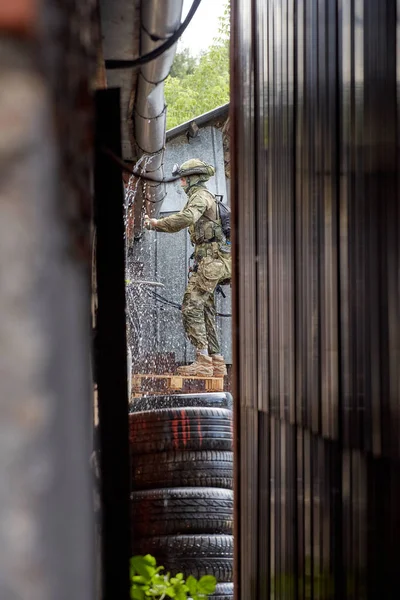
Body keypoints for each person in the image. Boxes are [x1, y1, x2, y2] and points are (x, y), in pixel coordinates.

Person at [144, 159, 231, 377]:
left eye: (183, 178)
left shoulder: (199, 197)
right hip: (212, 262)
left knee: (191, 307)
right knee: (206, 309)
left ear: (193, 179)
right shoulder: (205, 197)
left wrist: (156, 224)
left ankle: (202, 361)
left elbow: (186, 218)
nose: (180, 182)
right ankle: (217, 361)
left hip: (212, 262)